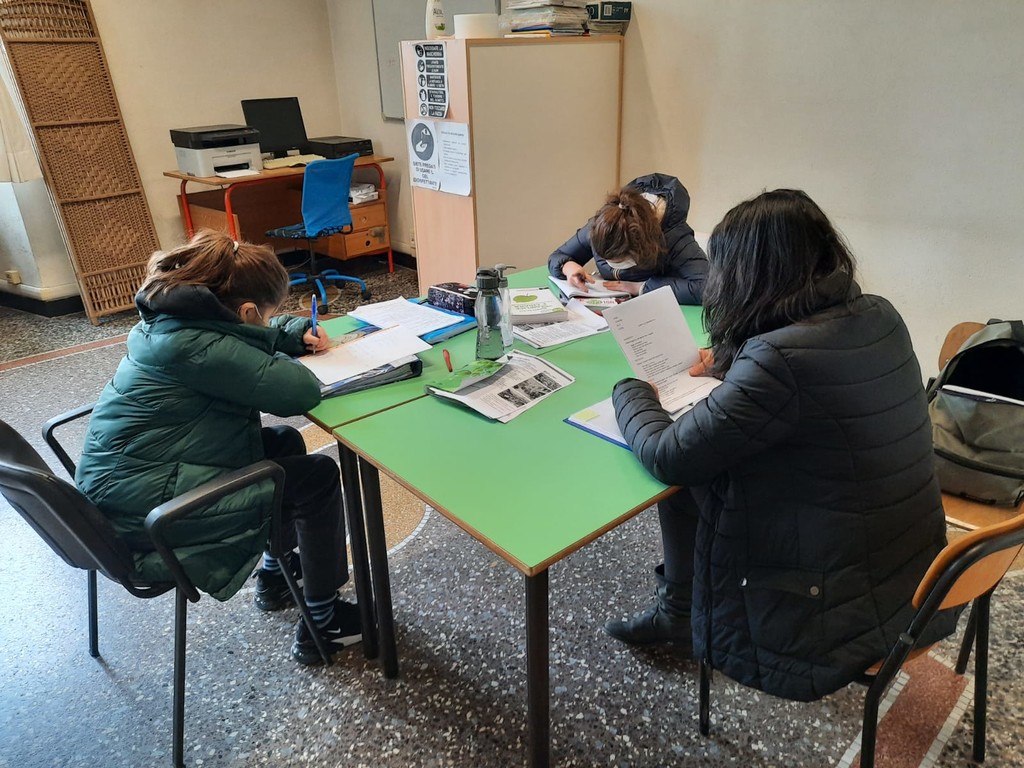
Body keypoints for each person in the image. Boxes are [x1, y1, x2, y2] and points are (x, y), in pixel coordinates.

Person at [606, 189, 958, 702]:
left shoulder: (779, 361)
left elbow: (669, 455)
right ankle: (679, 610)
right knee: (708, 462)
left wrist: (631, 391)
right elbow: (813, 373)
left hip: (830, 600)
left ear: (750, 273)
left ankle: (677, 613)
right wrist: (731, 359)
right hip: (912, 567)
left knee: (693, 469)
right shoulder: (878, 314)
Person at [75, 230, 359, 665]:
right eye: (267, 315)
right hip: (151, 517)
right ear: (245, 312)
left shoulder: (170, 322)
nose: (268, 321)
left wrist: (291, 331)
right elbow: (298, 392)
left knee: (283, 442)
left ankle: (275, 575)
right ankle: (324, 621)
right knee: (318, 478)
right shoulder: (196, 347)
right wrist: (277, 349)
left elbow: (234, 340)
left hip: (128, 490)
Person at [547, 173, 708, 305]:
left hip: (658, 312)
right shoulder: (602, 227)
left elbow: (707, 287)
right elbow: (558, 256)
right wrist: (568, 267)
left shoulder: (675, 237)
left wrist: (642, 288)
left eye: (620, 260)